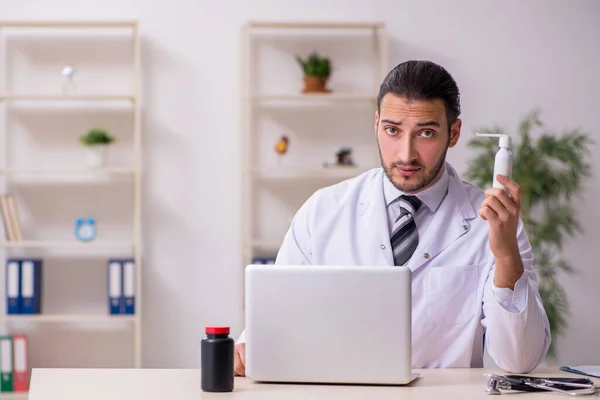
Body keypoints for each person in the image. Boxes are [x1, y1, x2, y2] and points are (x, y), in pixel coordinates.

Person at [234, 60, 551, 377]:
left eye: (425, 132)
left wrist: (507, 255)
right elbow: (274, 321)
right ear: (376, 125)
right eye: (392, 130)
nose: (406, 154)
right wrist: (248, 349)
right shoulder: (322, 211)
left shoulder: (494, 224)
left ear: (453, 134)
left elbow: (520, 360)